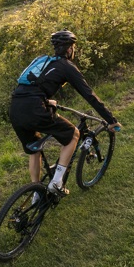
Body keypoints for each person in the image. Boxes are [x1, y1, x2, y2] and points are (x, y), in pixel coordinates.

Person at [9, 30, 122, 196]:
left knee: (34, 149)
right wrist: (111, 120)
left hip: (15, 109)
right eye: (73, 47)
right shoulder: (67, 66)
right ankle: (56, 183)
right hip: (35, 109)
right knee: (73, 135)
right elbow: (89, 95)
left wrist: (46, 100)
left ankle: (36, 192)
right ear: (69, 49)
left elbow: (29, 86)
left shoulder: (42, 60)